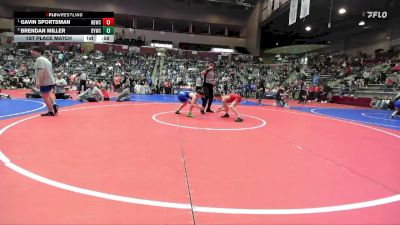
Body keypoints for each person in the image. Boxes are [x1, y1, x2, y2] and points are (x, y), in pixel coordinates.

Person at [31, 47, 58, 116]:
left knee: (45, 96)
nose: (32, 52)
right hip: (51, 80)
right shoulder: (46, 59)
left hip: (45, 81)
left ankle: (50, 111)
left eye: (34, 51)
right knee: (50, 93)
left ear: (39, 52)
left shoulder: (39, 60)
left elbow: (41, 70)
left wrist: (38, 81)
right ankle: (54, 104)